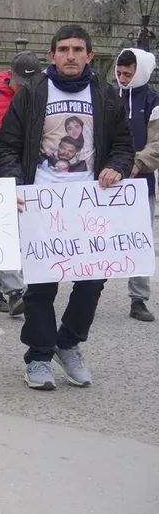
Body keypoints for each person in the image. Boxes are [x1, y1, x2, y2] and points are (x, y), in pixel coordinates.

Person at [0, 25, 134, 390]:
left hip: (90, 206)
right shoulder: (32, 94)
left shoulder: (105, 96)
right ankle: (38, 356)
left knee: (92, 282)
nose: (70, 56)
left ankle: (68, 343)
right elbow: (7, 145)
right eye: (63, 50)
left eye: (77, 49)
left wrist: (116, 167)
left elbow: (123, 145)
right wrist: (15, 183)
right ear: (52, 54)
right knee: (42, 286)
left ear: (89, 55)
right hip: (41, 203)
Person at [0, 51, 41, 316]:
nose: (21, 86)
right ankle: (15, 291)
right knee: (7, 235)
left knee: (3, 234)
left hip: (25, 177)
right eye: (19, 81)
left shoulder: (39, 101)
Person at [114, 48, 159, 322]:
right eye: (119, 74)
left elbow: (157, 143)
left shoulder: (155, 101)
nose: (123, 79)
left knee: (140, 240)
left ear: (140, 72)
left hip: (140, 181)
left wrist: (137, 163)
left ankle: (138, 298)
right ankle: (89, 290)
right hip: (107, 179)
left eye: (128, 75)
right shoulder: (109, 96)